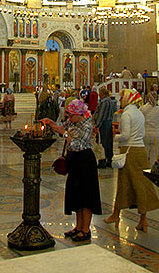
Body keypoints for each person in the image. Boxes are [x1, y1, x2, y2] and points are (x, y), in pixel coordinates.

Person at [42, 99, 102, 242]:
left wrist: (65, 134)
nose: (69, 118)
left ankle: (86, 229)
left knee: (86, 195)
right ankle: (78, 226)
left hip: (85, 160)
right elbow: (61, 127)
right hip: (74, 161)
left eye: (71, 115)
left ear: (80, 114)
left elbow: (77, 145)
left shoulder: (87, 125)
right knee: (77, 194)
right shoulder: (73, 122)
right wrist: (51, 123)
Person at [104, 89, 159, 231]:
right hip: (139, 150)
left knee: (125, 184)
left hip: (130, 151)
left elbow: (125, 135)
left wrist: (115, 136)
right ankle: (142, 219)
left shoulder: (126, 115)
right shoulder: (139, 113)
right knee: (140, 185)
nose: (121, 100)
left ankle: (117, 214)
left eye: (122, 97)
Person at [140, 90, 159, 165]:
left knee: (145, 156)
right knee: (154, 157)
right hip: (157, 135)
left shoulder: (142, 109)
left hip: (145, 134)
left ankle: (144, 172)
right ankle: (152, 172)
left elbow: (139, 122)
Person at [94, 87, 116, 168]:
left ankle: (103, 161)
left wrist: (96, 125)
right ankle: (109, 159)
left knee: (103, 143)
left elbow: (101, 115)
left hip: (104, 124)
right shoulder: (111, 101)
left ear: (102, 94)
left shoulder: (104, 102)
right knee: (109, 142)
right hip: (109, 122)